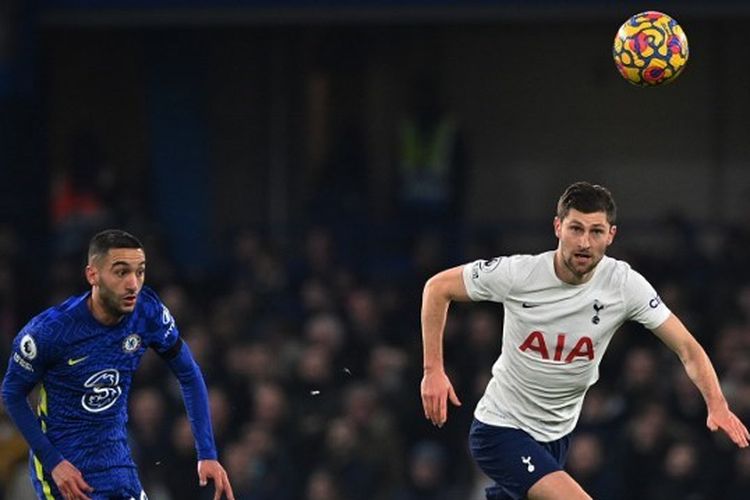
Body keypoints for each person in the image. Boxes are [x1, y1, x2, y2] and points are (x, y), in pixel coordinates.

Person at [419, 182, 750, 500]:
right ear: (558, 227)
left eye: (596, 231)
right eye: (576, 228)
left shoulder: (624, 285)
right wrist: (433, 370)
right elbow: (437, 288)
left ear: (611, 235)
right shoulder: (519, 274)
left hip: (556, 439)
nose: (584, 243)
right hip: (500, 431)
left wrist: (716, 402)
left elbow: (687, 347)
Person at [1, 229, 234, 500]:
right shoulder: (49, 332)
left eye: (140, 272)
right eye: (121, 272)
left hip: (118, 463)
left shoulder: (148, 313)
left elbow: (189, 374)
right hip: (66, 471)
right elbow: (12, 394)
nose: (133, 284)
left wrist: (207, 453)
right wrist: (53, 462)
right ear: (93, 275)